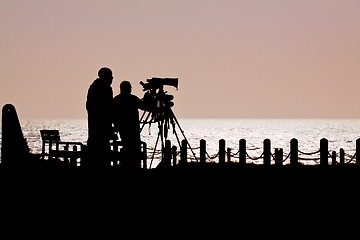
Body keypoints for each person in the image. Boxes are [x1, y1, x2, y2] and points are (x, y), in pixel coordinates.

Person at [85, 67, 114, 167]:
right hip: (100, 126)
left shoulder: (94, 87)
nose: (112, 79)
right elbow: (108, 108)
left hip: (96, 125)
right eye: (110, 76)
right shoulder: (104, 89)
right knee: (100, 149)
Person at [113, 80, 143, 168]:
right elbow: (145, 106)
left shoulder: (116, 100)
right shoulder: (133, 99)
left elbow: (112, 115)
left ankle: (126, 165)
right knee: (134, 149)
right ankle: (134, 167)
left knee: (127, 147)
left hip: (122, 129)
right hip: (132, 129)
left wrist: (116, 126)